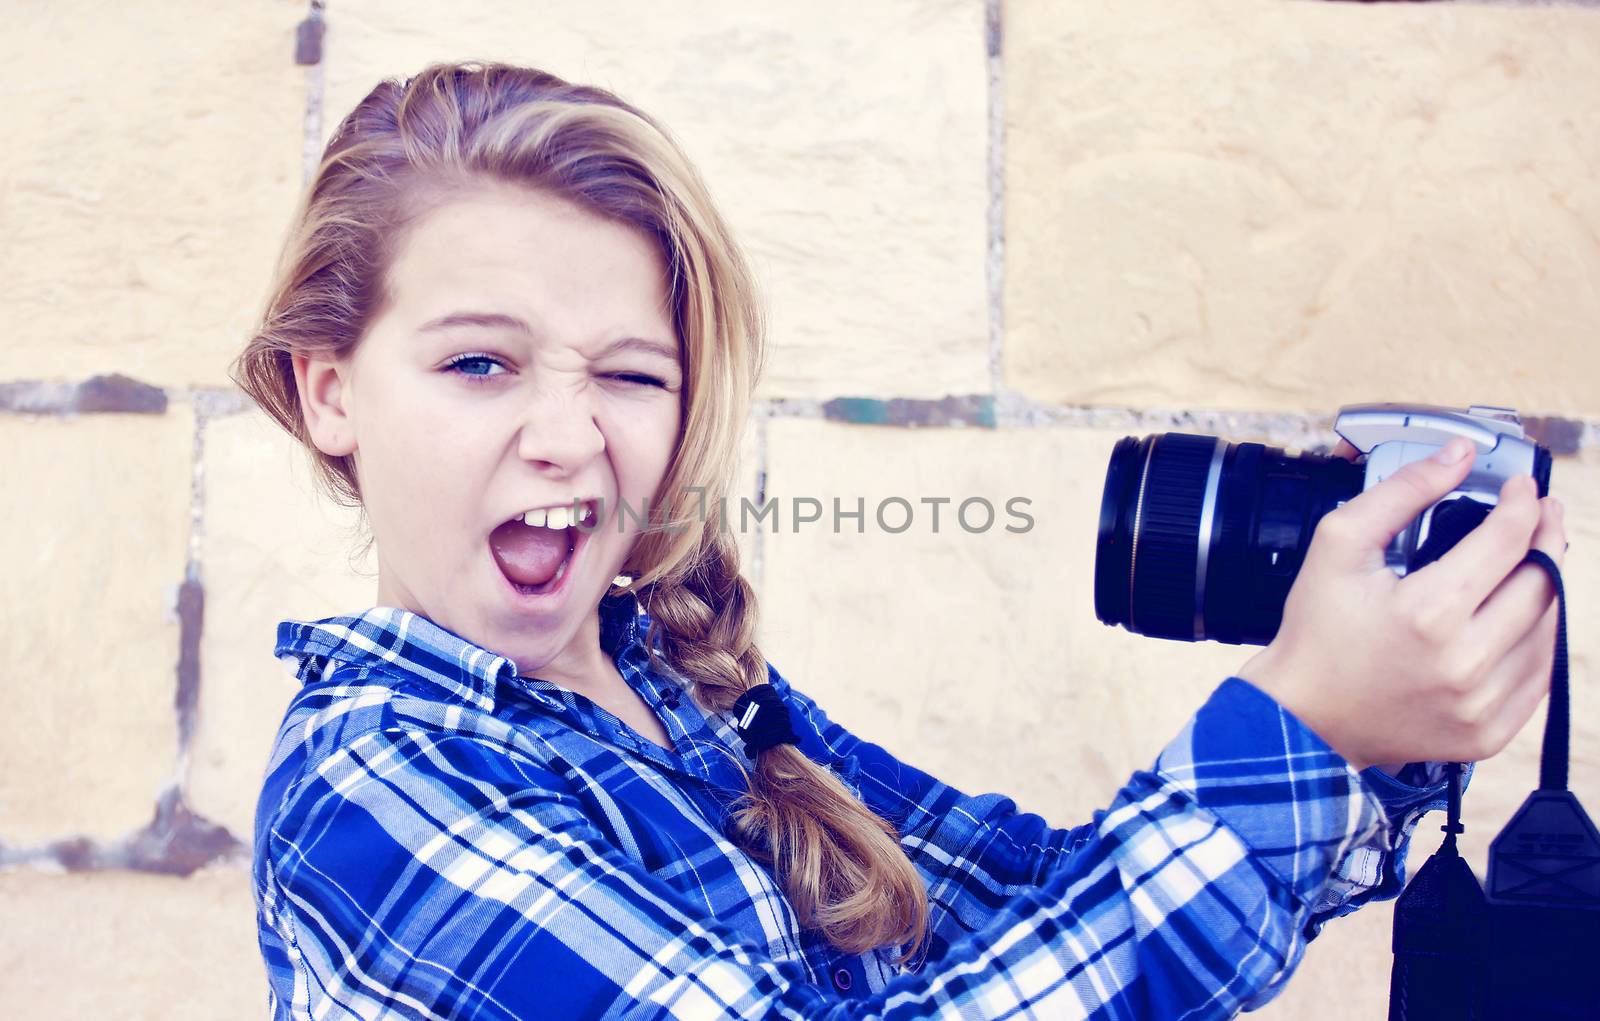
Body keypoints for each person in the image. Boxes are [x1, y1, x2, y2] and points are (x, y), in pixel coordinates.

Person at [232, 60, 1566, 1019]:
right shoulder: (374, 789)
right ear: (327, 387)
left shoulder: (682, 690)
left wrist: (1371, 712)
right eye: (480, 362)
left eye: (633, 374)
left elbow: (1032, 908)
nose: (572, 433)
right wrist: (1305, 728)